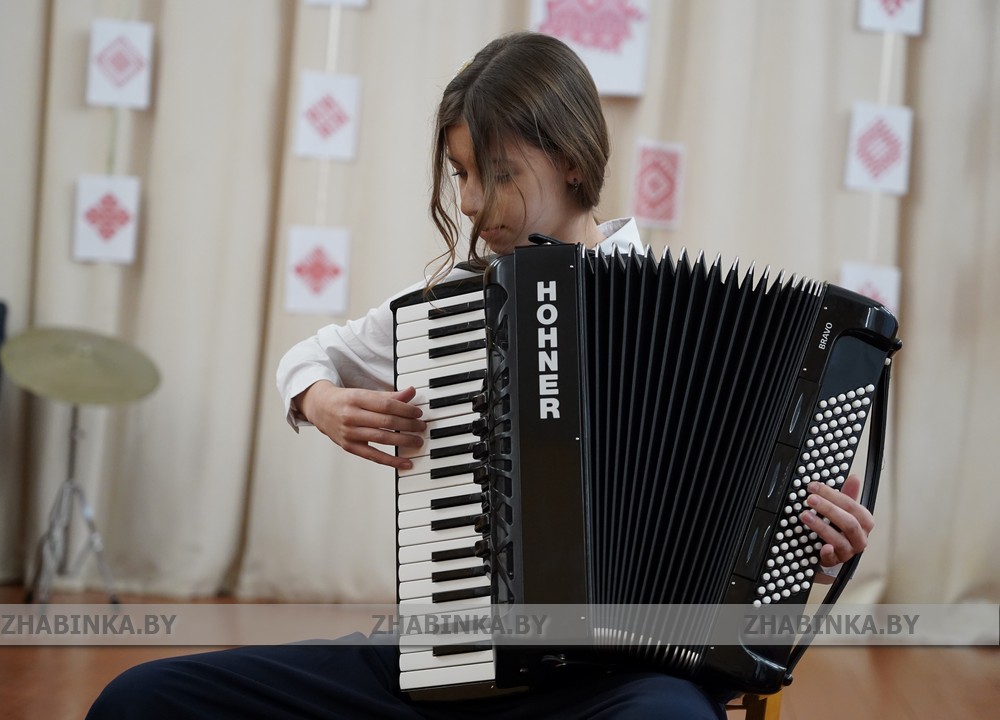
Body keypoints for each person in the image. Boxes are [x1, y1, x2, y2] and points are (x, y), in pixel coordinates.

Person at [87, 31, 875, 720]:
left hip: (627, 687)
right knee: (143, 699)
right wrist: (320, 400)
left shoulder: (700, 322)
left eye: (494, 174)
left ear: (571, 162)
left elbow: (763, 539)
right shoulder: (458, 310)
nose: (467, 202)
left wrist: (811, 546)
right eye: (460, 173)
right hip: (451, 663)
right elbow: (311, 357)